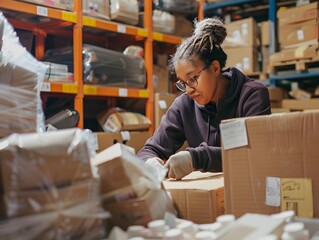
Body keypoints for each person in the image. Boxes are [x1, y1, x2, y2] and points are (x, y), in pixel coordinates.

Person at [137, 17, 271, 180]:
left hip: (247, 189)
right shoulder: (184, 105)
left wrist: (196, 158)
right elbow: (149, 150)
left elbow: (252, 152)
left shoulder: (252, 95)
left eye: (193, 78)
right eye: (183, 83)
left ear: (215, 68)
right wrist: (150, 162)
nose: (188, 89)